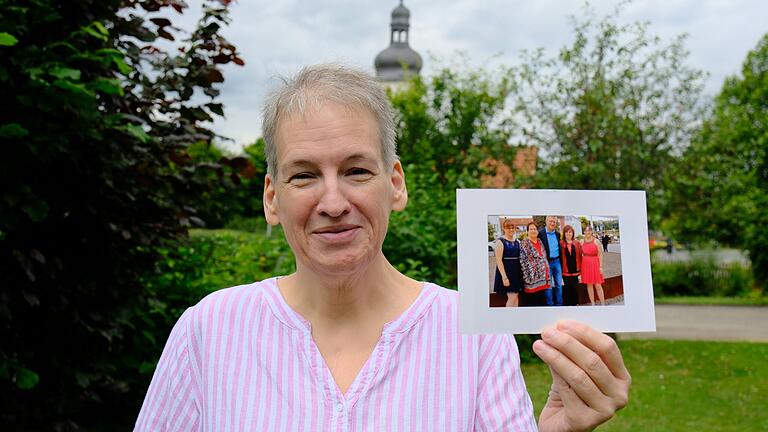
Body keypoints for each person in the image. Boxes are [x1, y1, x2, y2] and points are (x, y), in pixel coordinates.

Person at [135, 64, 630, 431]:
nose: (333, 202)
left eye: (356, 171)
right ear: (272, 198)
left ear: (395, 185)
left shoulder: (475, 338)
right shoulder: (209, 330)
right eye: (304, 175)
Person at [519, 221, 552, 307]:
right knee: (533, 302)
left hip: (543, 278)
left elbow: (544, 256)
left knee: (542, 300)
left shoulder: (540, 241)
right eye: (531, 229)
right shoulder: (524, 243)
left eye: (535, 229)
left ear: (537, 231)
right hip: (531, 279)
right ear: (527, 231)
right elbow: (524, 261)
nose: (533, 231)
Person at [493, 218, 523, 307]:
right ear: (504, 228)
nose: (511, 230)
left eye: (513, 228)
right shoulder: (500, 241)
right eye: (508, 228)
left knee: (516, 296)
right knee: (512, 297)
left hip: (516, 272)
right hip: (507, 272)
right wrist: (504, 277)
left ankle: (515, 317)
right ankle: (508, 318)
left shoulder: (517, 241)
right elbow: (498, 260)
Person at [539, 216, 563, 306]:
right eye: (550, 221)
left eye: (554, 222)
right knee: (548, 286)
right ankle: (550, 305)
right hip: (547, 263)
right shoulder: (540, 233)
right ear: (546, 222)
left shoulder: (557, 234)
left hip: (557, 262)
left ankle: (559, 304)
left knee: (559, 285)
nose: (552, 223)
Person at [581, 225, 606, 306]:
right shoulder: (581, 241)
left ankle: (603, 303)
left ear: (591, 231)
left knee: (598, 284)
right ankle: (593, 303)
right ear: (584, 232)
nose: (587, 232)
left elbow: (600, 254)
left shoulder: (596, 241)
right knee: (589, 284)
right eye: (586, 230)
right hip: (585, 265)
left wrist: (601, 266)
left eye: (589, 230)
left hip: (595, 264)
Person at [560, 224, 583, 306]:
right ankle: (567, 306)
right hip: (565, 271)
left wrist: (581, 272)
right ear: (564, 233)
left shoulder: (577, 243)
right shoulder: (561, 243)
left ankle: (575, 304)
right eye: (567, 232)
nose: (568, 234)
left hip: (576, 271)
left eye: (570, 232)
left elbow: (581, 256)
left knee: (575, 288)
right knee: (566, 289)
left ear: (573, 233)